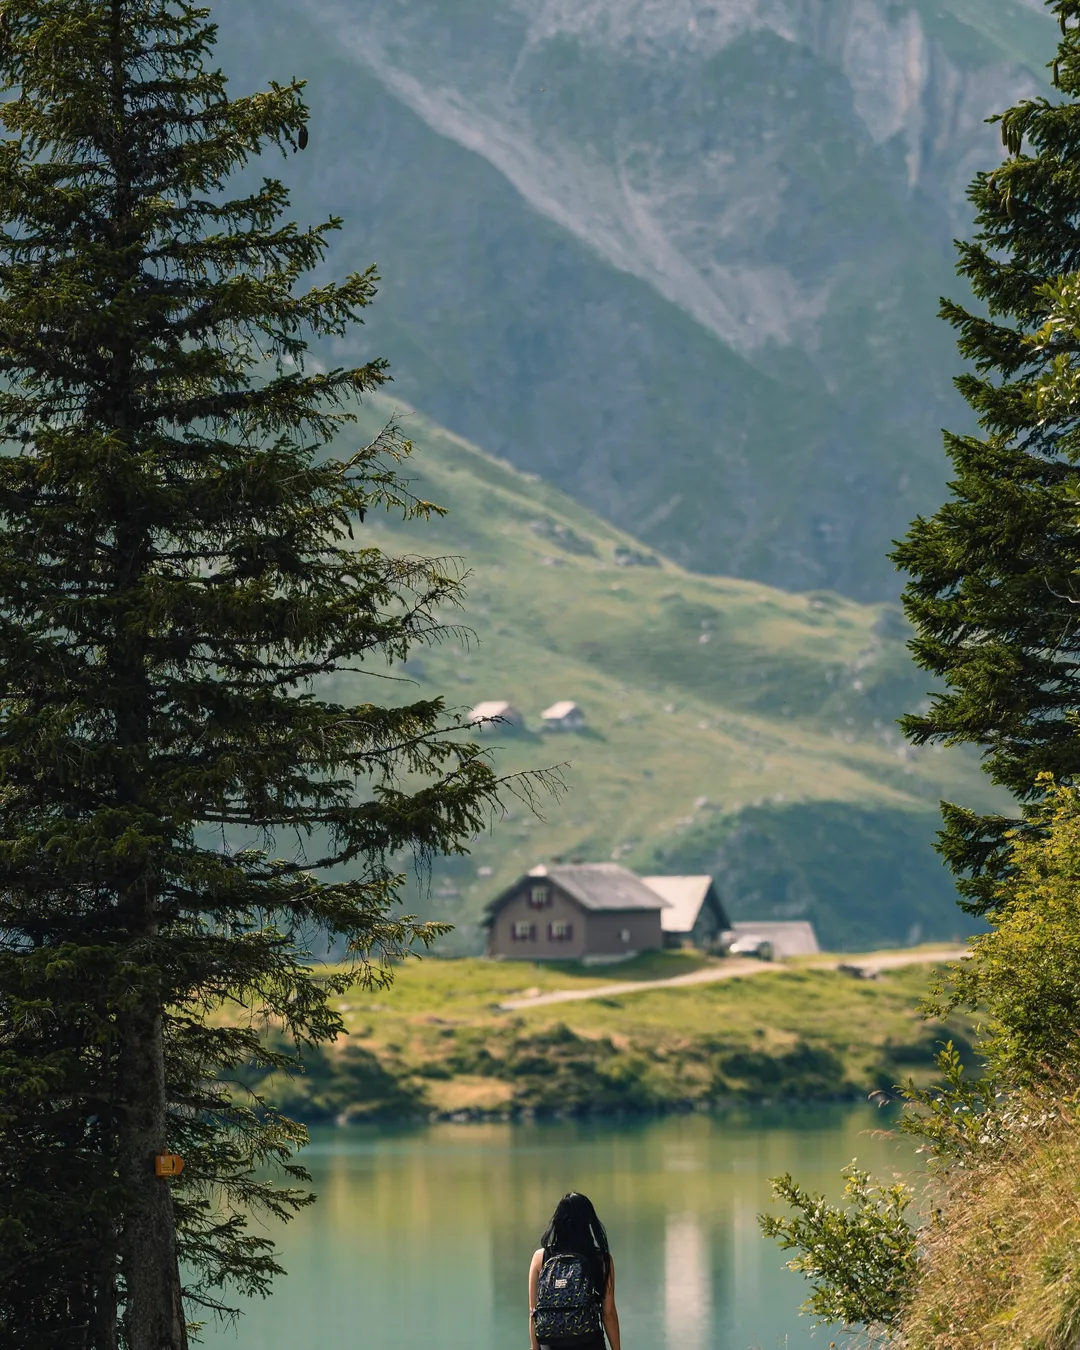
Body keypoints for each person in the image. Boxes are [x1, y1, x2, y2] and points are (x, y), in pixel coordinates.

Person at [529, 1192, 621, 1350]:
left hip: (550, 1344)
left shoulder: (540, 1258)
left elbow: (534, 1313)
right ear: (589, 1222)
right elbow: (608, 1313)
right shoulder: (601, 1260)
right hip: (589, 1343)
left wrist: (534, 1348)